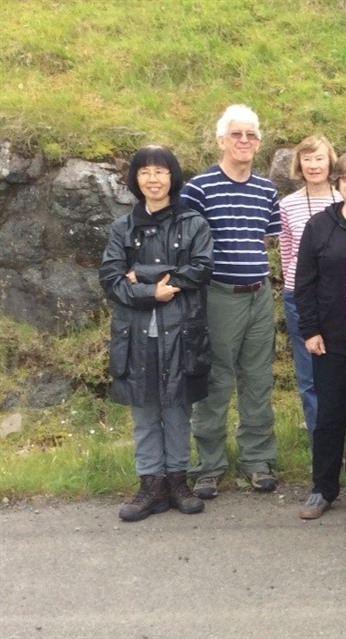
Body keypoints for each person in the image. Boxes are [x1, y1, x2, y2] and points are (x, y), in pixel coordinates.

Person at [100, 146, 213, 521]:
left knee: (178, 407)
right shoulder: (122, 226)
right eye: (145, 172)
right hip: (135, 334)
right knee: (145, 410)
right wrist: (153, 291)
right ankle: (151, 485)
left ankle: (178, 481)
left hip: (181, 330)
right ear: (136, 179)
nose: (153, 178)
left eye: (161, 172)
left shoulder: (193, 222)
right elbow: (111, 279)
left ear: (172, 177)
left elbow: (200, 269)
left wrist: (144, 275)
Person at [181, 105, 281, 498]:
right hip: (219, 295)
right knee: (216, 379)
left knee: (258, 380)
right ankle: (208, 466)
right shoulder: (199, 188)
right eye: (236, 134)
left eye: (251, 135)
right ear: (221, 139)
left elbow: (267, 240)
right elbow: (186, 243)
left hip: (259, 294)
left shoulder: (266, 189)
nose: (244, 141)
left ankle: (257, 460)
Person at [294, 150, 346, 521]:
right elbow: (304, 283)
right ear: (338, 183)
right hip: (330, 338)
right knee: (329, 415)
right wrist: (310, 329)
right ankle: (322, 487)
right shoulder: (320, 225)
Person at [278, 135, 340, 442]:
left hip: (340, 297)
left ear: (331, 162)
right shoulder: (287, 205)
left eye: (319, 158)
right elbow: (286, 253)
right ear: (298, 164)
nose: (314, 165)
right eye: (307, 159)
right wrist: (296, 292)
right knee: (308, 374)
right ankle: (320, 441)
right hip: (299, 298)